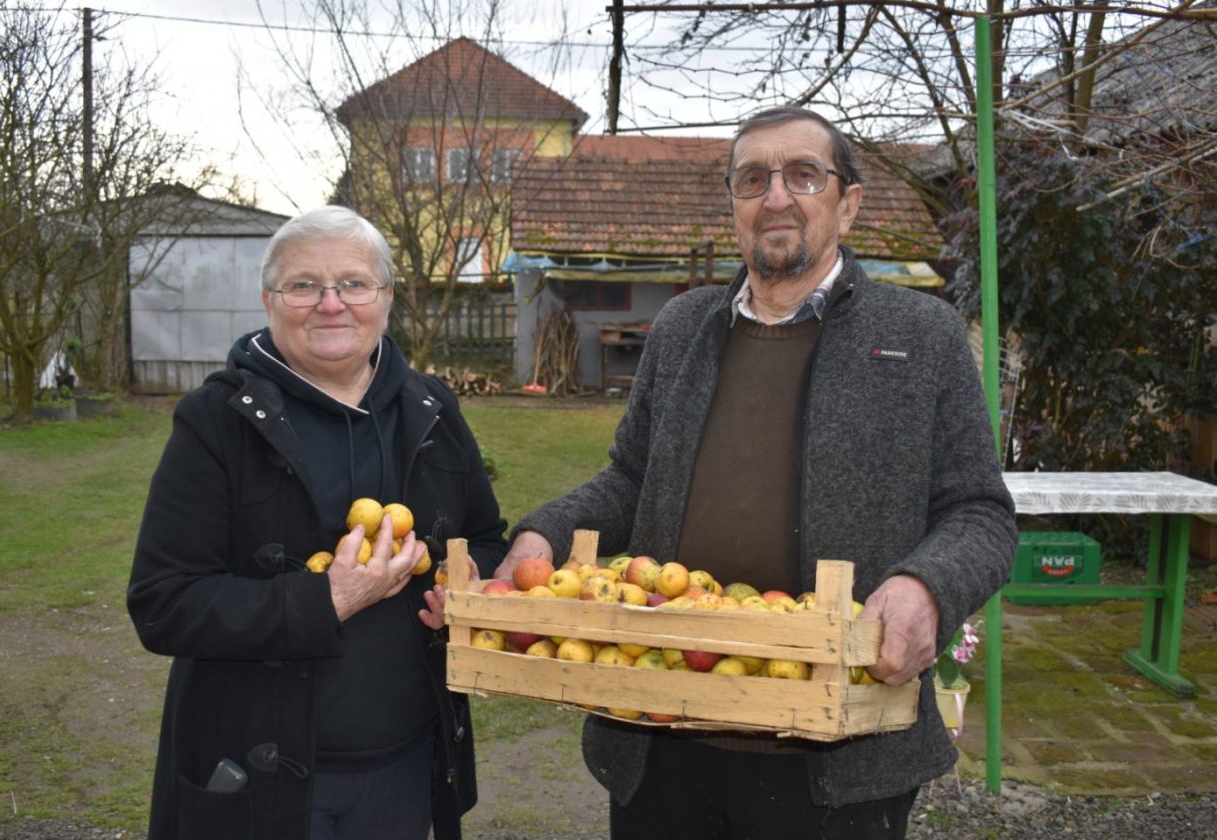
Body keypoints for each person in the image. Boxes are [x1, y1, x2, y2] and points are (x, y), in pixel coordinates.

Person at [498, 106, 1018, 839]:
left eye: (803, 174)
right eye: (752, 179)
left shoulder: (919, 336)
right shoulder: (682, 329)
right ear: (734, 206)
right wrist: (543, 534)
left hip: (835, 755)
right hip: (662, 730)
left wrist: (926, 587)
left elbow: (980, 513)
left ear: (849, 203)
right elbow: (629, 477)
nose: (776, 196)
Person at [127, 205, 506, 840]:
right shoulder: (217, 421)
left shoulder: (431, 409)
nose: (331, 304)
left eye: (354, 283)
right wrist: (325, 599)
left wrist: (465, 587)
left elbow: (486, 539)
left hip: (407, 766)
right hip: (260, 776)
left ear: (386, 297)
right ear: (270, 299)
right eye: (304, 285)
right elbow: (163, 603)